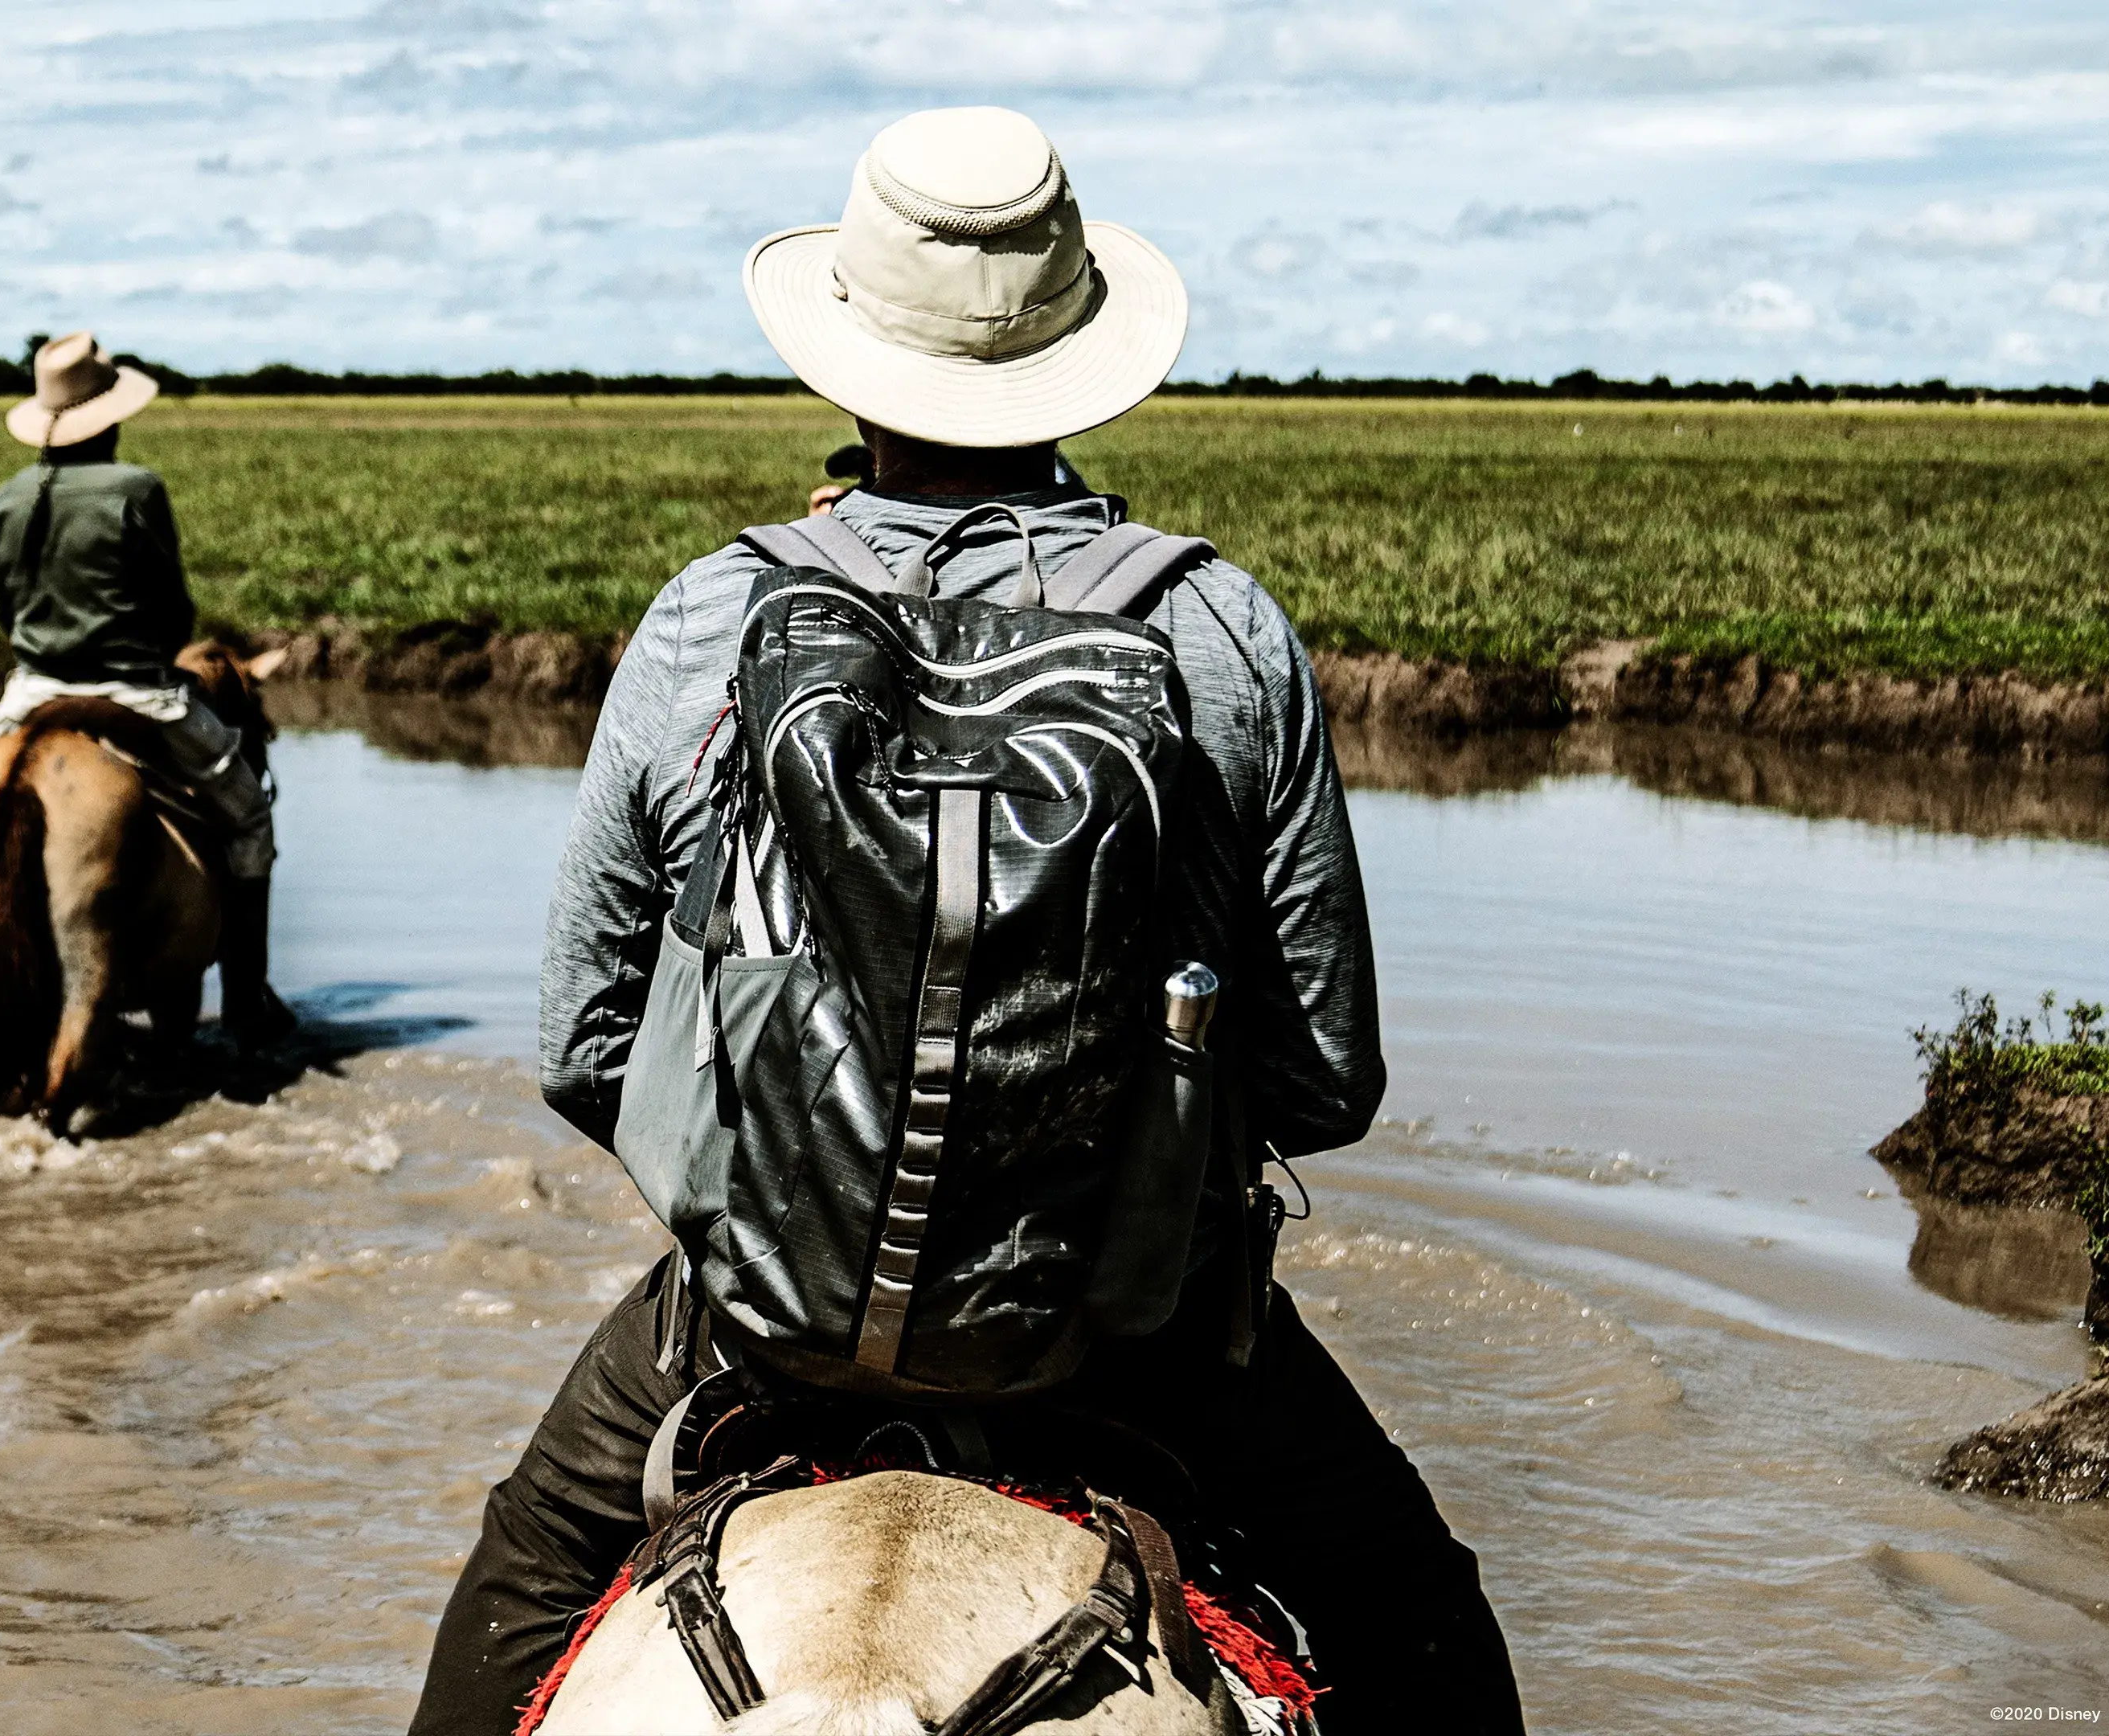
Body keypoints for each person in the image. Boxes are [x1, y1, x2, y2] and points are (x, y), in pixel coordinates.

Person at [410, 108, 1524, 1734]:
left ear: (845, 355)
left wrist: (777, 1182)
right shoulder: (1219, 626)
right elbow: (1325, 1081)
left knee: (513, 1600)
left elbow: (583, 1050)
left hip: (756, 1336)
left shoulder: (712, 613)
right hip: (1139, 1342)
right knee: (1421, 1625)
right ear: (1082, 350)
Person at [0, 331, 290, 1046]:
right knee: (249, 822)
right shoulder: (136, 489)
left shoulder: (7, 499)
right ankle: (245, 999)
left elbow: (4, 610)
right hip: (138, 695)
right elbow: (172, 609)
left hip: (28, 695)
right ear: (111, 418)